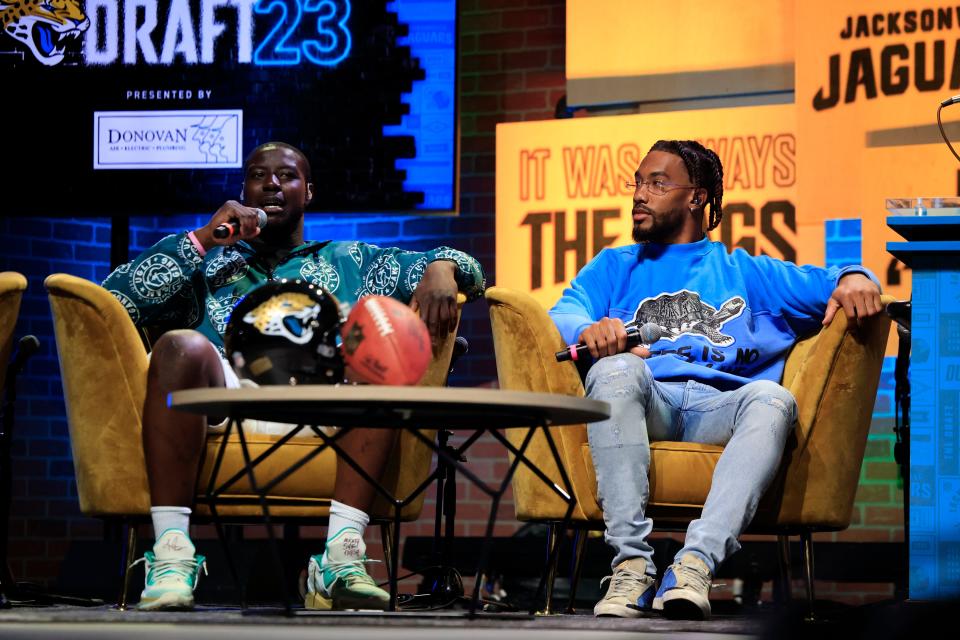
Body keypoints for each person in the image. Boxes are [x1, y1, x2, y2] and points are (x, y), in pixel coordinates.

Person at [102, 141, 485, 611]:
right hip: (224, 400)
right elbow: (114, 301)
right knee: (180, 346)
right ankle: (171, 554)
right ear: (242, 191)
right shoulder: (208, 263)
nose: (271, 184)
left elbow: (469, 269)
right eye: (259, 176)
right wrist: (203, 238)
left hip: (319, 400)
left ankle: (341, 557)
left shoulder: (349, 261)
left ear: (309, 192)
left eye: (286, 176)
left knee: (380, 349)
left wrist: (443, 267)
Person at [548, 140, 883, 620]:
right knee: (615, 369)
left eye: (657, 183)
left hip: (719, 411)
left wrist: (856, 275)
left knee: (772, 397)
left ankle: (694, 566)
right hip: (651, 406)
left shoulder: (744, 271)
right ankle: (632, 567)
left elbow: (836, 280)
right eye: (637, 182)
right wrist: (586, 328)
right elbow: (561, 316)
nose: (640, 194)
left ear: (697, 198)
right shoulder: (613, 267)